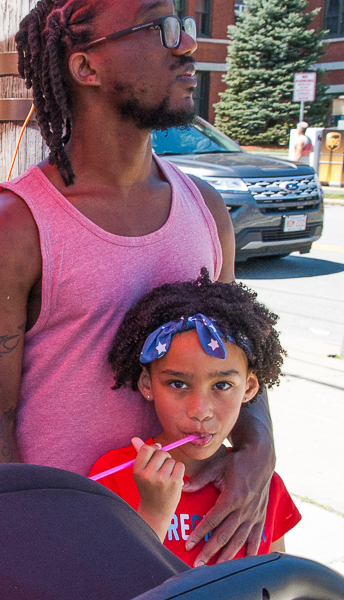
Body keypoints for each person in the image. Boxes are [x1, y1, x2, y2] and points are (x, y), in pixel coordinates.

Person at [0, 0, 274, 564]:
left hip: (185, 548)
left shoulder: (207, 210)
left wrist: (257, 445)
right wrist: (30, 549)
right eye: (161, 27)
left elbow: (232, 356)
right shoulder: (20, 225)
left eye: (188, 25)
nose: (187, 45)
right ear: (85, 67)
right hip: (65, 554)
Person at [89, 270, 301, 567]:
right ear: (147, 385)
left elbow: (278, 582)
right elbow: (104, 583)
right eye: (178, 384)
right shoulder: (113, 476)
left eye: (222, 386)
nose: (201, 409)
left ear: (249, 388)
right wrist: (154, 514)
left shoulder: (261, 485)